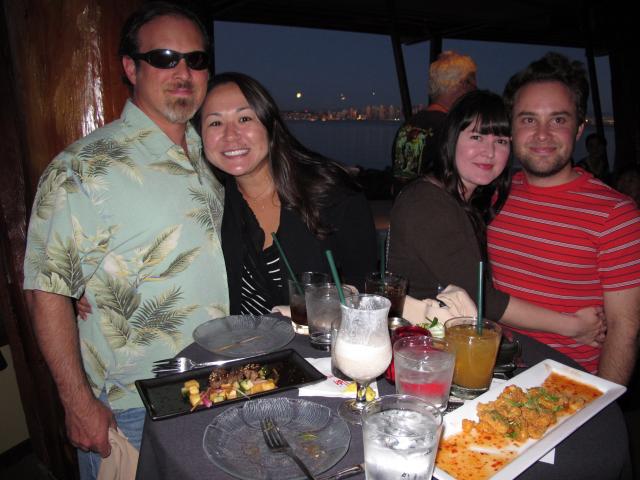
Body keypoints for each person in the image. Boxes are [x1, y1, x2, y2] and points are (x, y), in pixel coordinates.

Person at [22, 2, 228, 478]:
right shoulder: (83, 168)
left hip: (221, 386)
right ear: (131, 68)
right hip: (133, 407)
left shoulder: (213, 154)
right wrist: (77, 403)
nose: (183, 72)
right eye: (164, 58)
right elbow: (45, 289)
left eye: (195, 59)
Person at [388, 90, 605, 348]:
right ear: (451, 138)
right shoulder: (427, 203)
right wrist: (573, 326)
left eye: (501, 141)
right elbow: (481, 298)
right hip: (417, 349)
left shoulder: (464, 200)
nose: (489, 152)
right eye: (477, 137)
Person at [489, 52, 640, 384]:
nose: (542, 134)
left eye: (558, 120)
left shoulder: (616, 215)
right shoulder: (494, 197)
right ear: (511, 128)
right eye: (528, 120)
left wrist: (600, 402)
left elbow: (624, 329)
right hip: (489, 375)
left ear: (579, 128)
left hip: (565, 388)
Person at [199, 72, 378, 315]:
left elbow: (366, 290)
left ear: (270, 124)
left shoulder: (332, 193)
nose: (230, 135)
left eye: (244, 118)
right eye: (215, 123)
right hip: (243, 337)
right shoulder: (211, 205)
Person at [392, 51, 477, 195]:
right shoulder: (451, 129)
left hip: (404, 204)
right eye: (473, 86)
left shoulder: (408, 125)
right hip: (436, 206)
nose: (474, 93)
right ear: (463, 84)